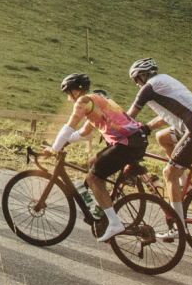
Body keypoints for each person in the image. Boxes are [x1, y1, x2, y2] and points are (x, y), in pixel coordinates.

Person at [52, 72, 148, 243]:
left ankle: (114, 222)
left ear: (76, 91)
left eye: (69, 94)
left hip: (126, 144)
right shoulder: (96, 104)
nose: (69, 99)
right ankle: (102, 207)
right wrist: (64, 143)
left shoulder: (84, 101)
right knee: (93, 164)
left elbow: (69, 126)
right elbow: (82, 133)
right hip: (136, 141)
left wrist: (53, 149)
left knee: (94, 179)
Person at [124, 58, 192, 208]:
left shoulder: (148, 88)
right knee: (162, 138)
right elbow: (169, 115)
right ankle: (185, 185)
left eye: (136, 80)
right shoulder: (166, 80)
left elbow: (130, 116)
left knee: (169, 174)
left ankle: (178, 227)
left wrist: (113, 129)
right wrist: (148, 128)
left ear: (143, 76)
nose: (137, 84)